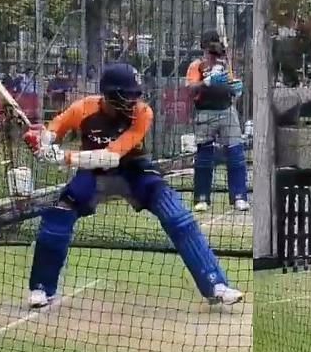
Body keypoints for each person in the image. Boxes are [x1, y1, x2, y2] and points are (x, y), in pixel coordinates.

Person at [23, 63, 243, 308]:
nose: (132, 102)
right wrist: (41, 138)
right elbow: (53, 131)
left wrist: (63, 157)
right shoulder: (82, 109)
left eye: (134, 95)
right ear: (108, 94)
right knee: (59, 215)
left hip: (134, 170)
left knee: (179, 217)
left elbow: (111, 156)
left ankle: (216, 284)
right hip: (93, 175)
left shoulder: (143, 112)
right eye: (126, 96)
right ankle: (42, 288)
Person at [186, 29, 249, 212]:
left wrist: (236, 88)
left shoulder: (225, 63)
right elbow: (190, 89)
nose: (212, 54)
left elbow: (231, 84)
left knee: (236, 154)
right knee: (204, 157)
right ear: (203, 48)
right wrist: (206, 82)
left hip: (227, 111)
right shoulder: (196, 65)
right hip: (205, 114)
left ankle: (239, 197)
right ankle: (202, 197)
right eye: (209, 49)